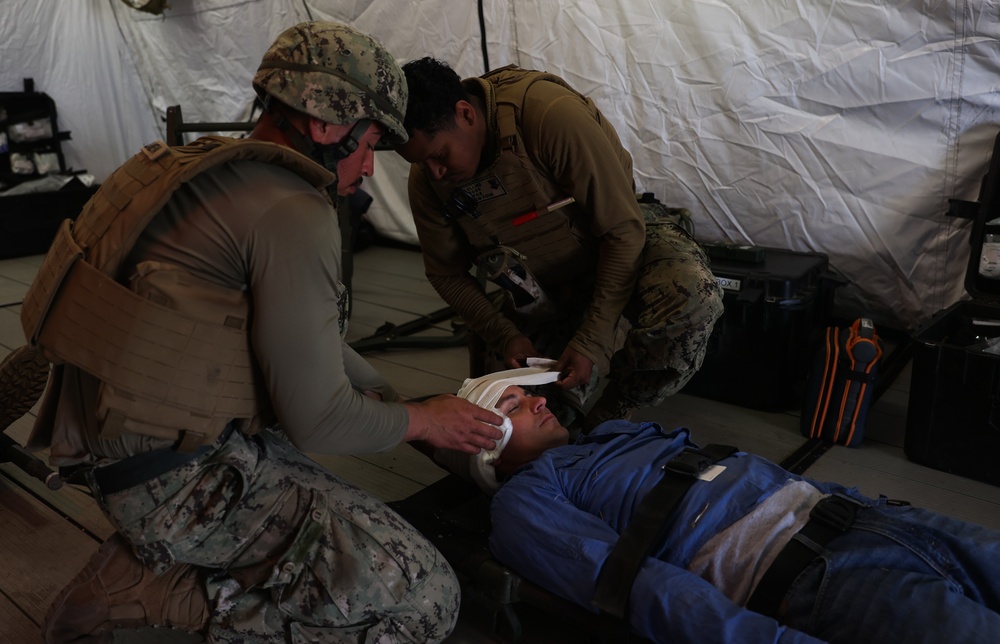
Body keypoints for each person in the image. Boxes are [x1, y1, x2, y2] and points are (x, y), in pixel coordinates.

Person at [8, 21, 506, 643]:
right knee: (427, 601)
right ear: (327, 124)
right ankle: (166, 596)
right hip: (175, 481)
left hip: (108, 449)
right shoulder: (294, 210)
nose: (369, 166)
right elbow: (319, 422)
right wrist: (427, 420)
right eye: (370, 140)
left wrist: (392, 403)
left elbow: (282, 333)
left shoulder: (189, 169)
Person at [446, 366, 1000, 643]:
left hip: (878, 520)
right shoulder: (526, 500)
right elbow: (635, 586)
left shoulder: (612, 436)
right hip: (820, 576)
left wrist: (864, 505)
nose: (541, 399)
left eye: (529, 391)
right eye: (515, 405)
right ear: (482, 447)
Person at [395, 57, 724, 431]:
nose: (435, 173)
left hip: (619, 243)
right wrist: (507, 337)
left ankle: (607, 421)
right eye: (423, 163)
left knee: (692, 297)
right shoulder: (428, 178)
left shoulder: (547, 115)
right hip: (538, 285)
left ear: (466, 114)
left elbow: (621, 231)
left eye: (439, 156)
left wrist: (592, 340)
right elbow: (446, 274)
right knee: (503, 422)